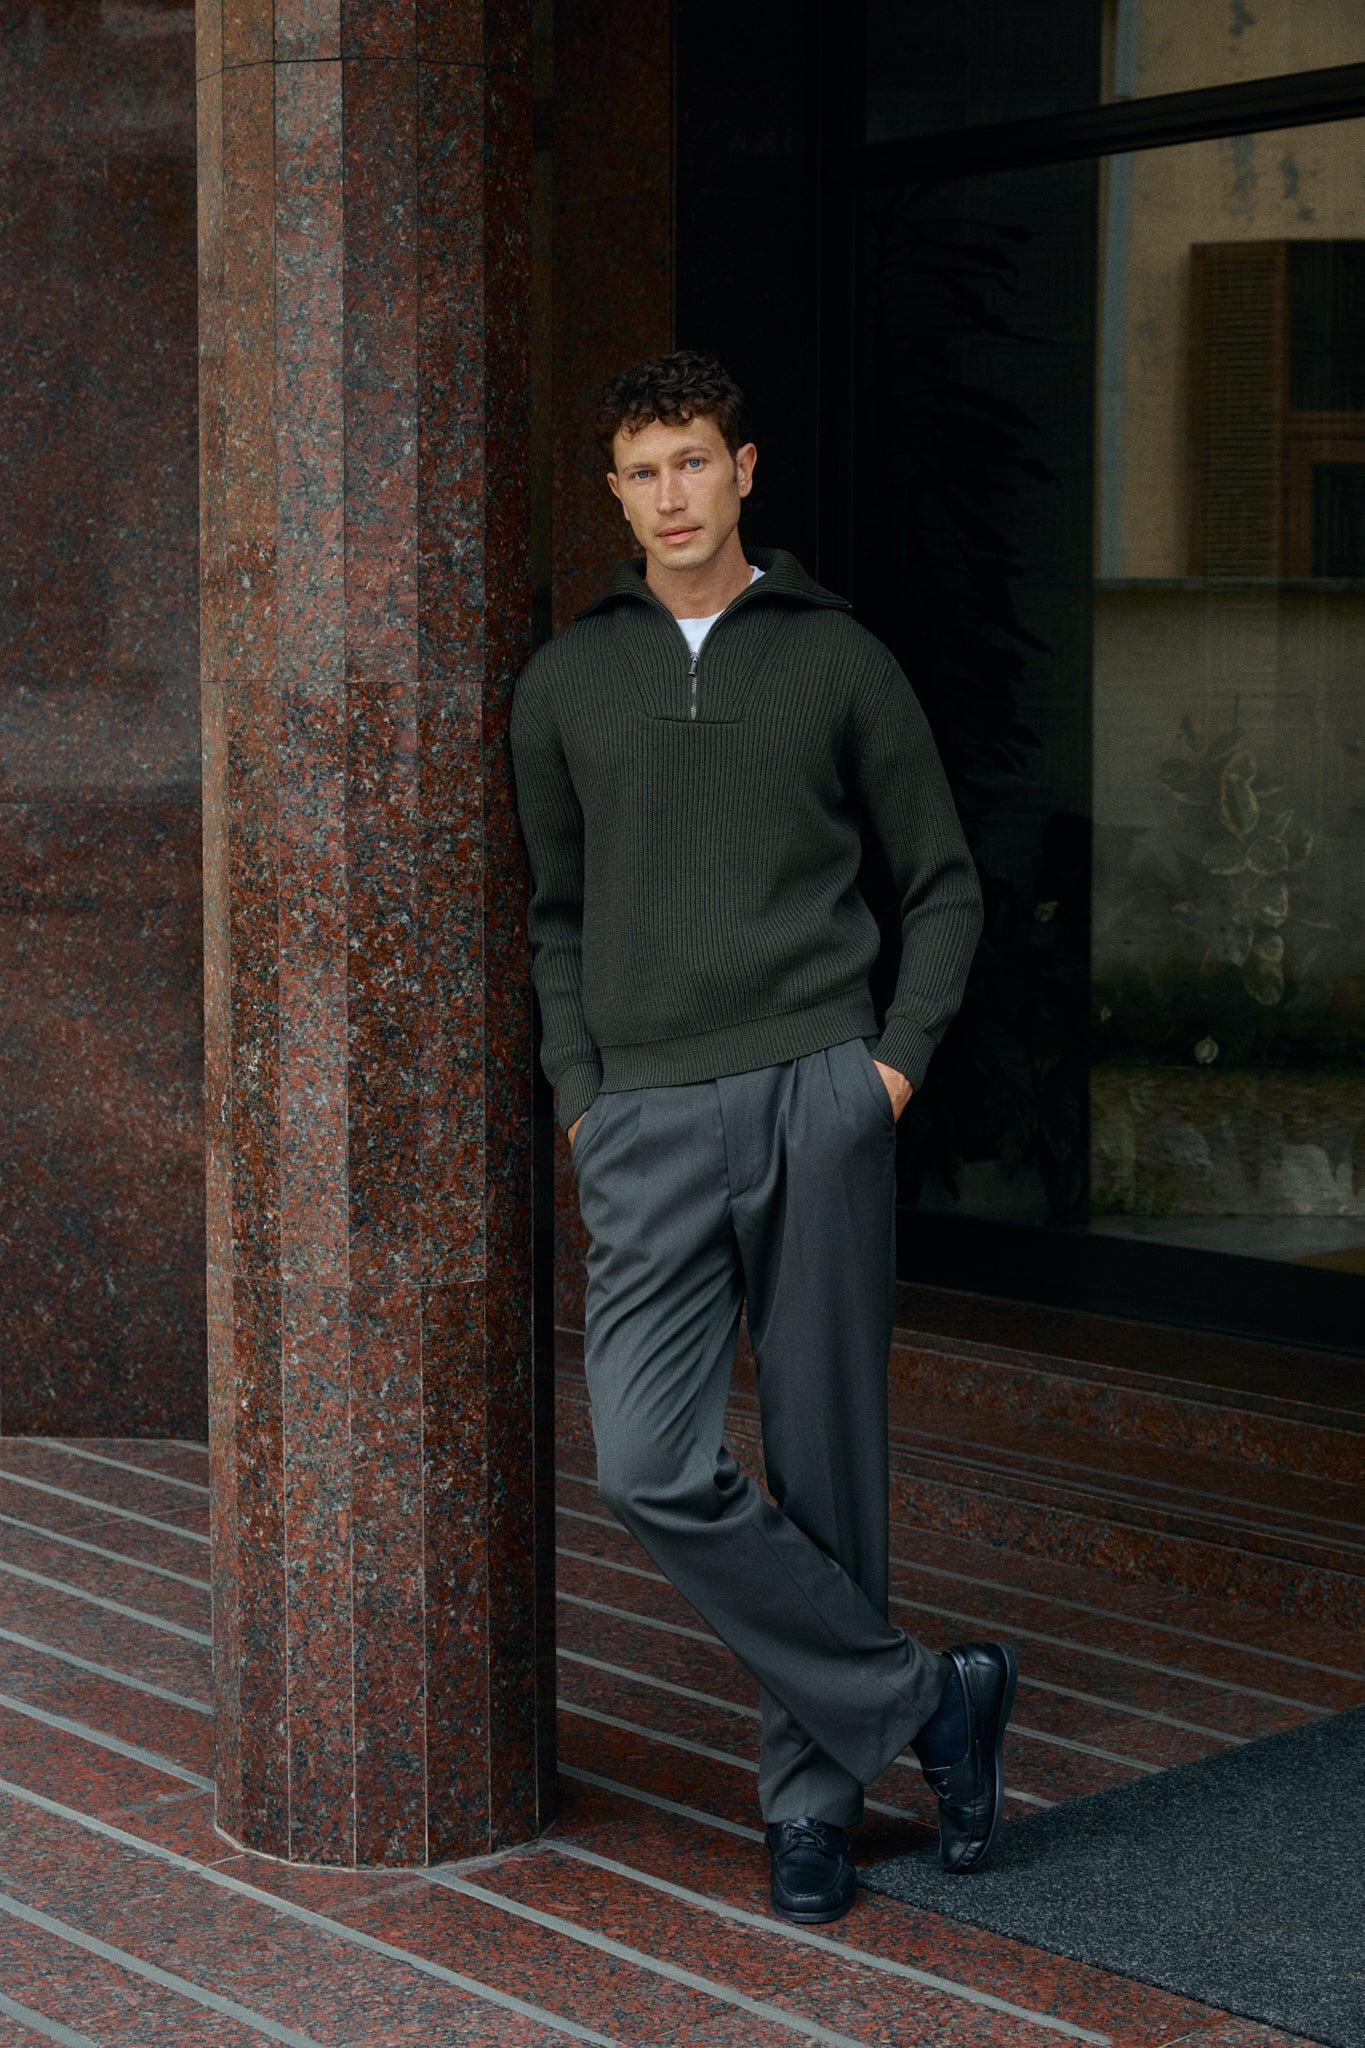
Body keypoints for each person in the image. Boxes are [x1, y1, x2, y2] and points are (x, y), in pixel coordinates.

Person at [510, 349, 1016, 1925]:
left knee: (823, 1463)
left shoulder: (836, 663)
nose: (669, 494)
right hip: (643, 1112)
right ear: (615, 492)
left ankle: (810, 1805)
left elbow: (940, 883)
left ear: (743, 471)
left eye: (692, 461)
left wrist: (891, 1072)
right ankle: (929, 1704)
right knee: (645, 1461)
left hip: (815, 1088)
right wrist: (580, 1089)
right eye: (640, 469)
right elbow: (556, 914)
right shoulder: (563, 683)